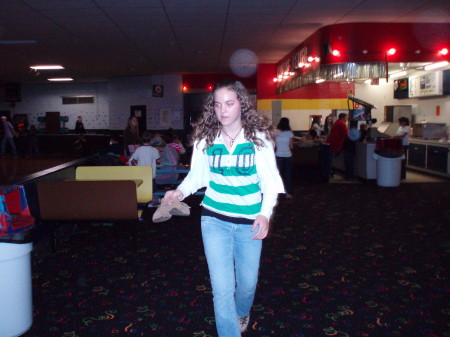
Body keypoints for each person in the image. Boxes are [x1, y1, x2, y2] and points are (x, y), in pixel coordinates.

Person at [164, 80, 284, 337]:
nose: (223, 110)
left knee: (247, 286)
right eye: (218, 105)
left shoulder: (258, 138)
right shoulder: (205, 139)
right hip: (214, 219)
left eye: (229, 103)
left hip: (249, 221)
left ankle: (242, 311)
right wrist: (180, 192)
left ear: (242, 104)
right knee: (221, 289)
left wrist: (265, 213)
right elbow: (197, 177)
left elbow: (270, 182)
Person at [275, 117, 294, 199]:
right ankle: (288, 193)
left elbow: (273, 145)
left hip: (278, 155)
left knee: (277, 175)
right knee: (287, 175)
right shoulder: (290, 133)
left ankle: (276, 193)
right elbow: (291, 146)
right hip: (287, 156)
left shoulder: (276, 132)